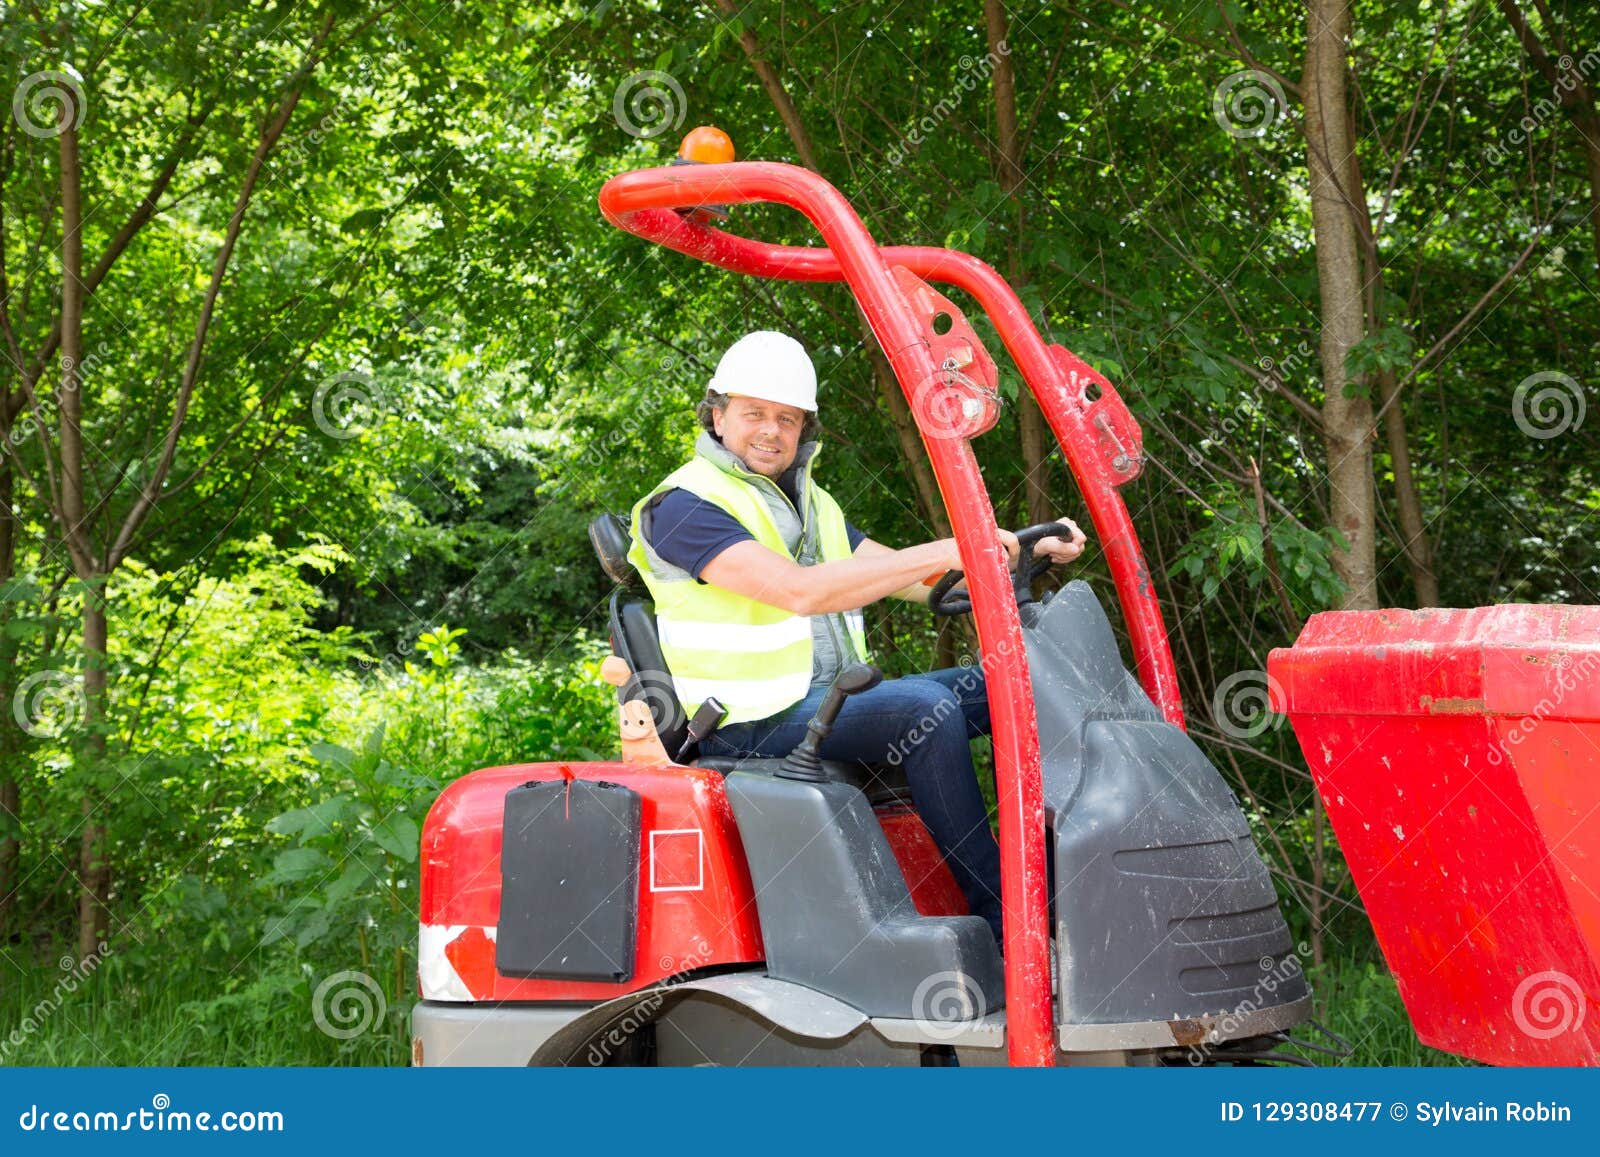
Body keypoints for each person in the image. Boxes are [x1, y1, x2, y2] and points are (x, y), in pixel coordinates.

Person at [626, 331, 1086, 944]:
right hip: (748, 717)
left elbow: (922, 580)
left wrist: (1019, 556)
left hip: (825, 701)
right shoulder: (684, 506)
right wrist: (956, 545)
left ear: (803, 429)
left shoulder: (813, 504)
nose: (770, 430)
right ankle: (1009, 918)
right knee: (925, 710)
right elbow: (800, 590)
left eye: (786, 418)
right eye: (754, 413)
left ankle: (1067, 879)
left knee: (1021, 680)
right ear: (717, 415)